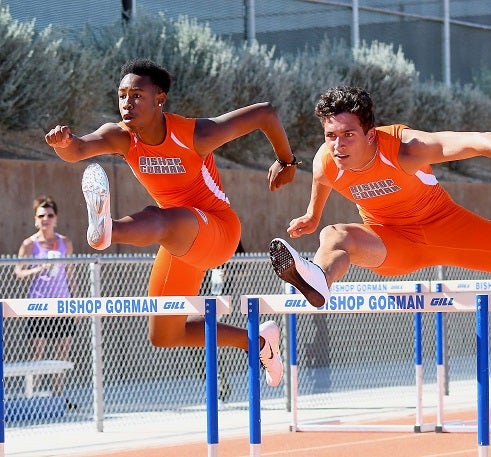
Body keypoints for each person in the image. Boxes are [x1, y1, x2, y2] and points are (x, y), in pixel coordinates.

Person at [44, 58, 299, 387]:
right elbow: (78, 149)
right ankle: (258, 342)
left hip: (218, 230)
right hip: (178, 240)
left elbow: (265, 112)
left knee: (159, 217)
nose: (127, 103)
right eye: (122, 95)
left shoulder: (194, 134)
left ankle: (109, 230)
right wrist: (63, 144)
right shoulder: (121, 137)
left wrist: (287, 161)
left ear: (159, 100)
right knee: (165, 334)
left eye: (137, 95)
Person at [268, 85, 491, 310]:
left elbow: (481, 141)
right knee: (334, 235)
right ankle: (318, 278)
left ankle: (317, 276)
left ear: (370, 134)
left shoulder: (406, 149)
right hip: (392, 242)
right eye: (330, 136)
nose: (337, 145)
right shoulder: (326, 161)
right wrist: (312, 215)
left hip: (449, 228)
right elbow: (322, 181)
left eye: (348, 135)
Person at [15, 196, 76, 402]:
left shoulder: (64, 242)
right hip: (38, 305)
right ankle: (34, 397)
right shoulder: (29, 245)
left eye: (50, 215)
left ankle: (58, 397)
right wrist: (38, 268)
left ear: (55, 218)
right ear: (35, 219)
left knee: (62, 353)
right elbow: (18, 272)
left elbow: (71, 275)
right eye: (41, 215)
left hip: (62, 305)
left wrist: (75, 305)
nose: (46, 219)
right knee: (37, 353)